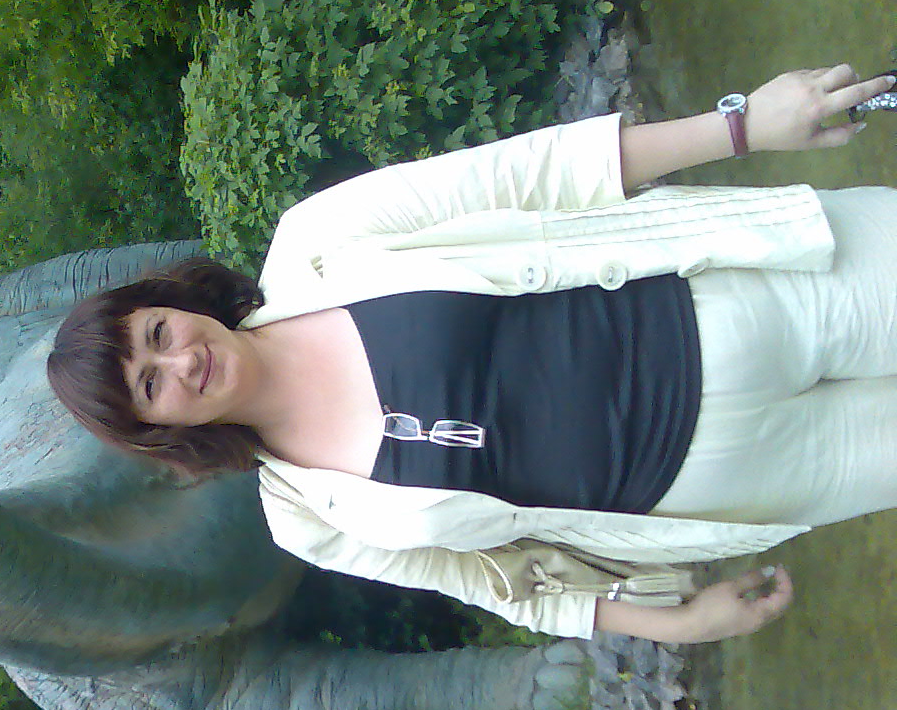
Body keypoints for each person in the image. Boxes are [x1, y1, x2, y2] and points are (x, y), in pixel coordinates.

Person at [47, 65, 897, 644]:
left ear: (171, 304)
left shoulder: (316, 242)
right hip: (738, 473)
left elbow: (535, 172)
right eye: (150, 386)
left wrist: (743, 126)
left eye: (157, 334)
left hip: (737, 299)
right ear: (161, 430)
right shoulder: (306, 519)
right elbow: (498, 582)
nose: (179, 362)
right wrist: (670, 623)